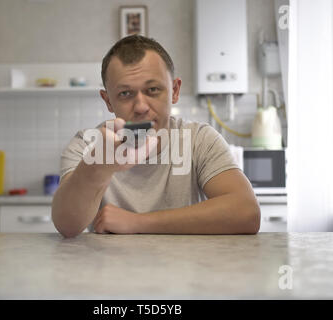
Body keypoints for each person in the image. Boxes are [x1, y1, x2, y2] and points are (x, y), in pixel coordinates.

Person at [52, 35, 260, 238]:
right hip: (107, 270)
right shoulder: (86, 144)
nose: (141, 107)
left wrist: (137, 222)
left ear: (175, 91)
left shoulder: (199, 139)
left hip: (187, 269)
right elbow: (67, 226)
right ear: (108, 101)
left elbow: (246, 212)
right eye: (125, 94)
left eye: (153, 90)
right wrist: (98, 166)